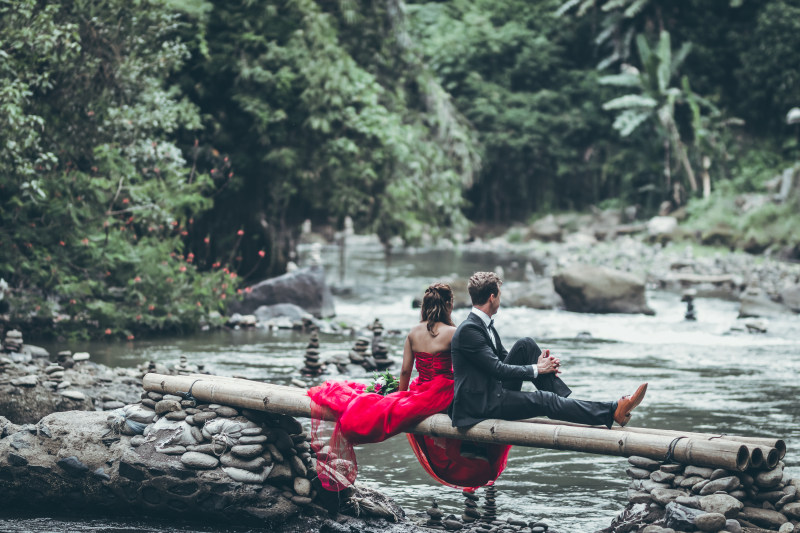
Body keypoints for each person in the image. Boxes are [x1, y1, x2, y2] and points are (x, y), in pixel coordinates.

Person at [307, 282, 509, 491]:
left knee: (381, 404)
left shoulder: (413, 333)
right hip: (445, 389)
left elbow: (405, 370)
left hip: (420, 386)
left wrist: (401, 396)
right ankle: (475, 454)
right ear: (449, 304)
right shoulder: (454, 332)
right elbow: (466, 367)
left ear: (424, 305)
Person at [450, 271, 647, 431]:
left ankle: (565, 403)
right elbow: (498, 369)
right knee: (545, 400)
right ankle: (612, 410)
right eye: (499, 295)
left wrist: (542, 364)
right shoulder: (469, 330)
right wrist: (537, 369)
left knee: (526, 345)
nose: (500, 300)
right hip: (482, 404)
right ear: (492, 297)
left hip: (492, 392)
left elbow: (503, 357)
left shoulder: (485, 325)